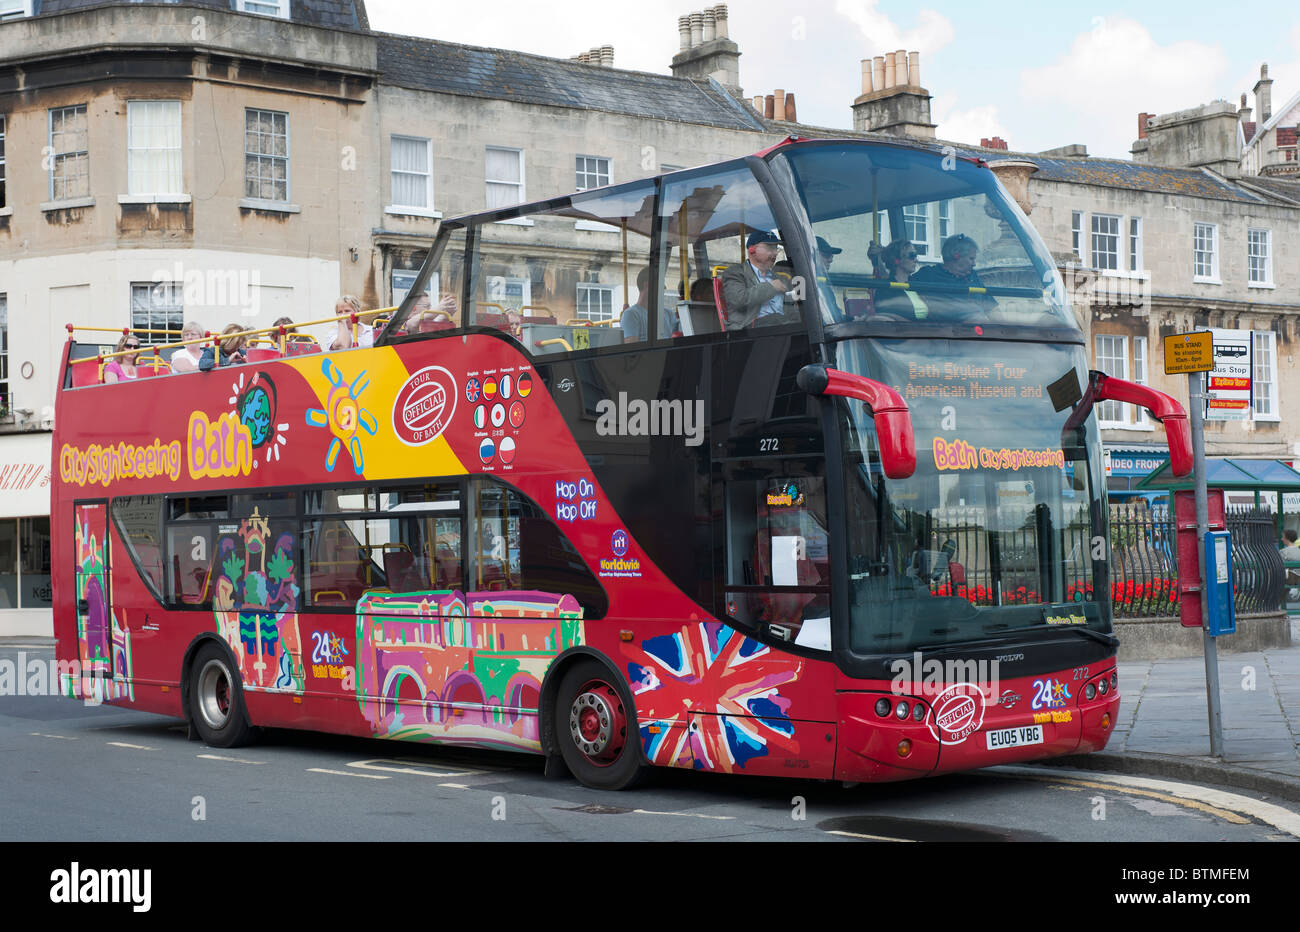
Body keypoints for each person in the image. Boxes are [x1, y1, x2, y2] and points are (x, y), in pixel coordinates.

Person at [908, 233, 995, 319]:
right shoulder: (928, 274)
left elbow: (992, 309)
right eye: (971, 259)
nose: (974, 264)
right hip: (944, 331)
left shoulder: (973, 276)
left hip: (980, 328)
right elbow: (901, 290)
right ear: (956, 256)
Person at [721, 231, 792, 330]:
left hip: (782, 328)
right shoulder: (735, 273)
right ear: (751, 250)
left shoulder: (779, 278)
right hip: (749, 332)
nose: (775, 253)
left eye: (776, 248)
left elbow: (790, 308)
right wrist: (771, 287)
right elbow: (739, 300)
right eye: (769, 248)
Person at [871, 238, 931, 320]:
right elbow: (887, 316)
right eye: (912, 256)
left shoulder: (917, 283)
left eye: (916, 256)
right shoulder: (885, 289)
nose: (916, 260)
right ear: (897, 260)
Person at [620, 267, 675, 343]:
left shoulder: (669, 314)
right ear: (647, 285)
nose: (664, 288)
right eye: (661, 285)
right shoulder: (631, 314)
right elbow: (632, 350)